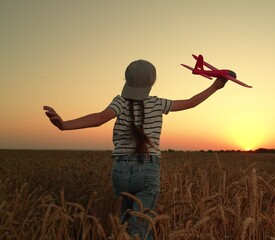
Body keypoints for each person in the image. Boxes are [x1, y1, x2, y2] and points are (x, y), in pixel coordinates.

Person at [43, 59, 228, 239]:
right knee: (141, 228)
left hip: (121, 170)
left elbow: (99, 118)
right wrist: (216, 86)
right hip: (148, 169)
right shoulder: (158, 103)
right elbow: (191, 102)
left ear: (127, 81)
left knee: (124, 223)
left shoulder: (119, 102)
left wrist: (65, 125)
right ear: (152, 82)